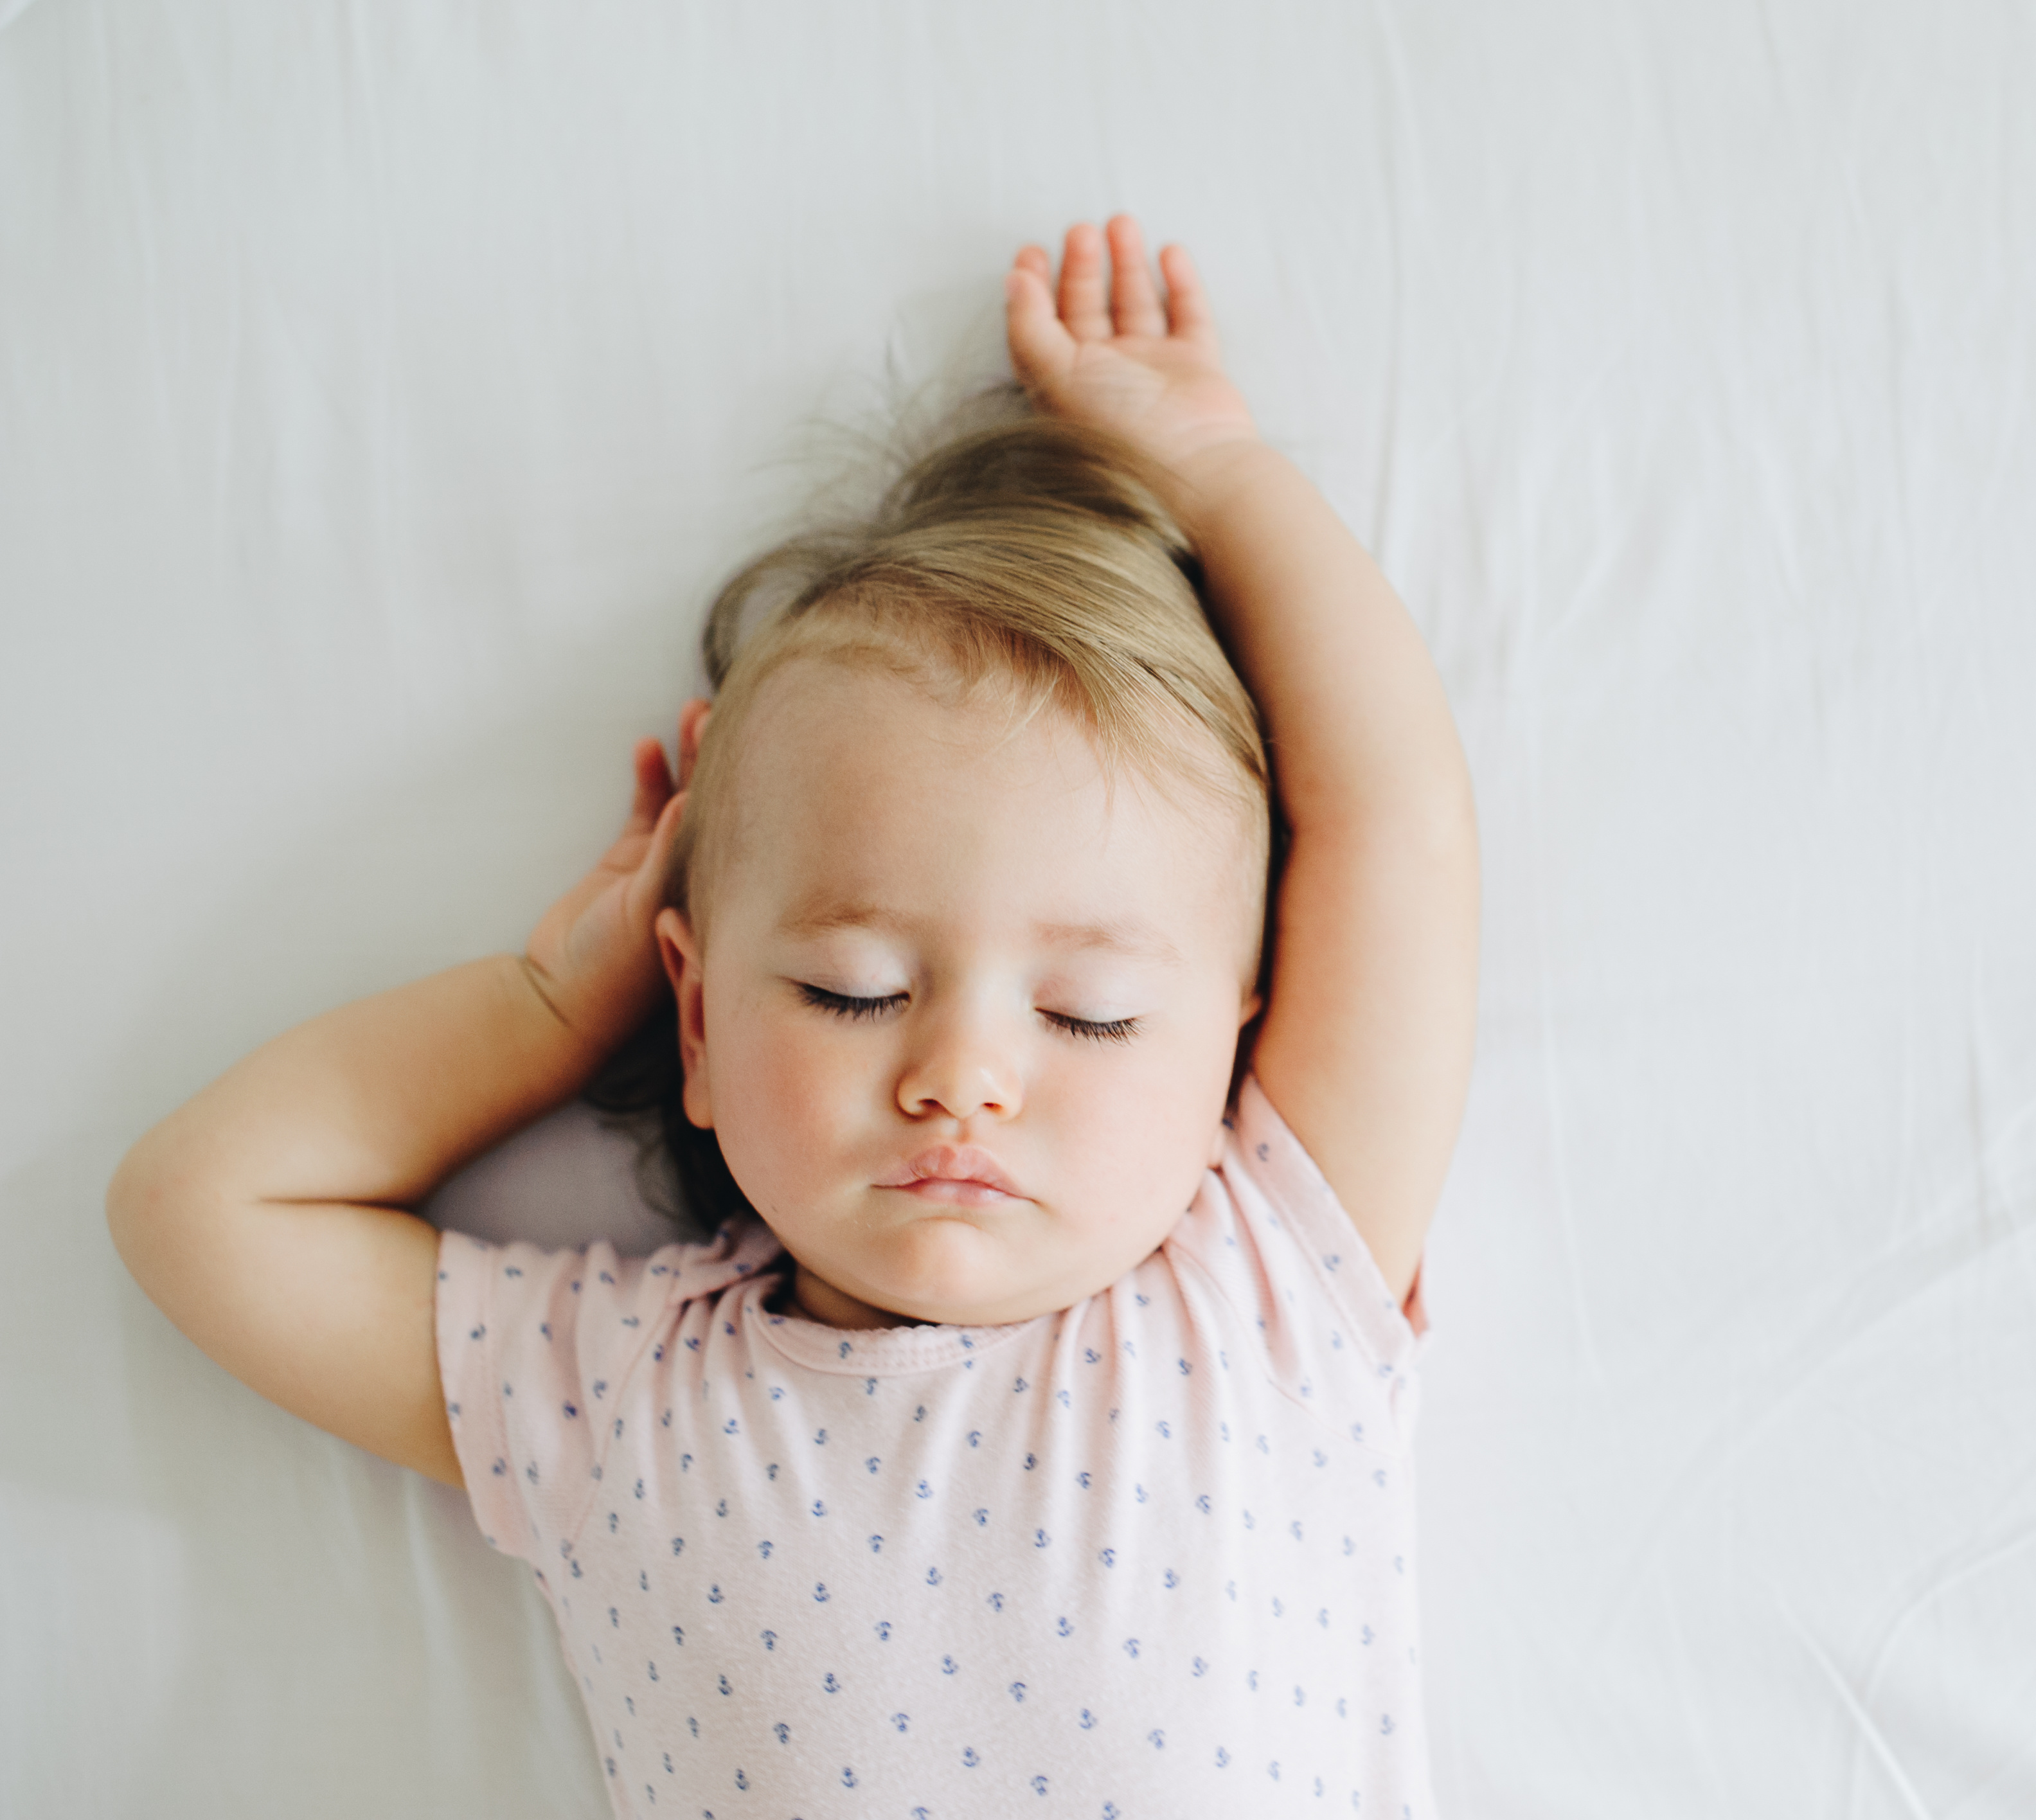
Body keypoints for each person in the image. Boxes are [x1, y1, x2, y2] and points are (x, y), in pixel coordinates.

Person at [107, 216, 1478, 1818]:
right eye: (853, 990)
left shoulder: (1267, 1298)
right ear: (695, 1023)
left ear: (1233, 1040)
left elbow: (1393, 824)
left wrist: (1214, 471)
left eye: (1090, 1013)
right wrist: (549, 1008)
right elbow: (199, 1207)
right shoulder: (620, 1400)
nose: (961, 1076)